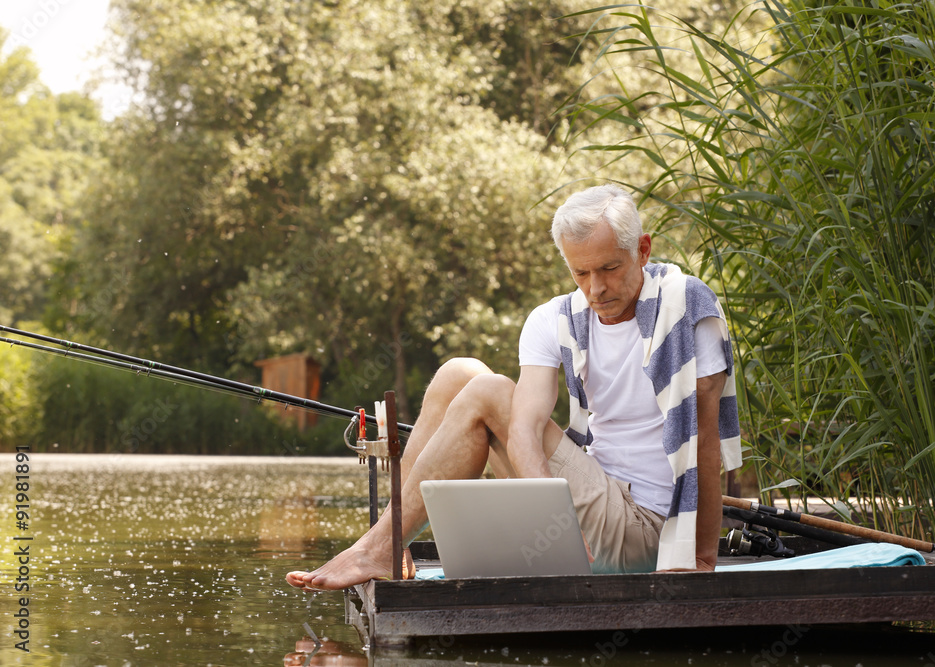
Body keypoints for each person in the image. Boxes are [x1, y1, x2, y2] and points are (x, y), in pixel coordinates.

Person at [286, 184, 741, 590]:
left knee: (487, 393)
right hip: (588, 515)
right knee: (458, 375)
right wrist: (554, 526)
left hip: (649, 532)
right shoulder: (554, 319)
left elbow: (704, 441)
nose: (596, 288)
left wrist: (700, 559)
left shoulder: (686, 307)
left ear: (643, 250)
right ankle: (391, 539)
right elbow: (523, 427)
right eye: (580, 273)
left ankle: (378, 548)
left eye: (610, 268)